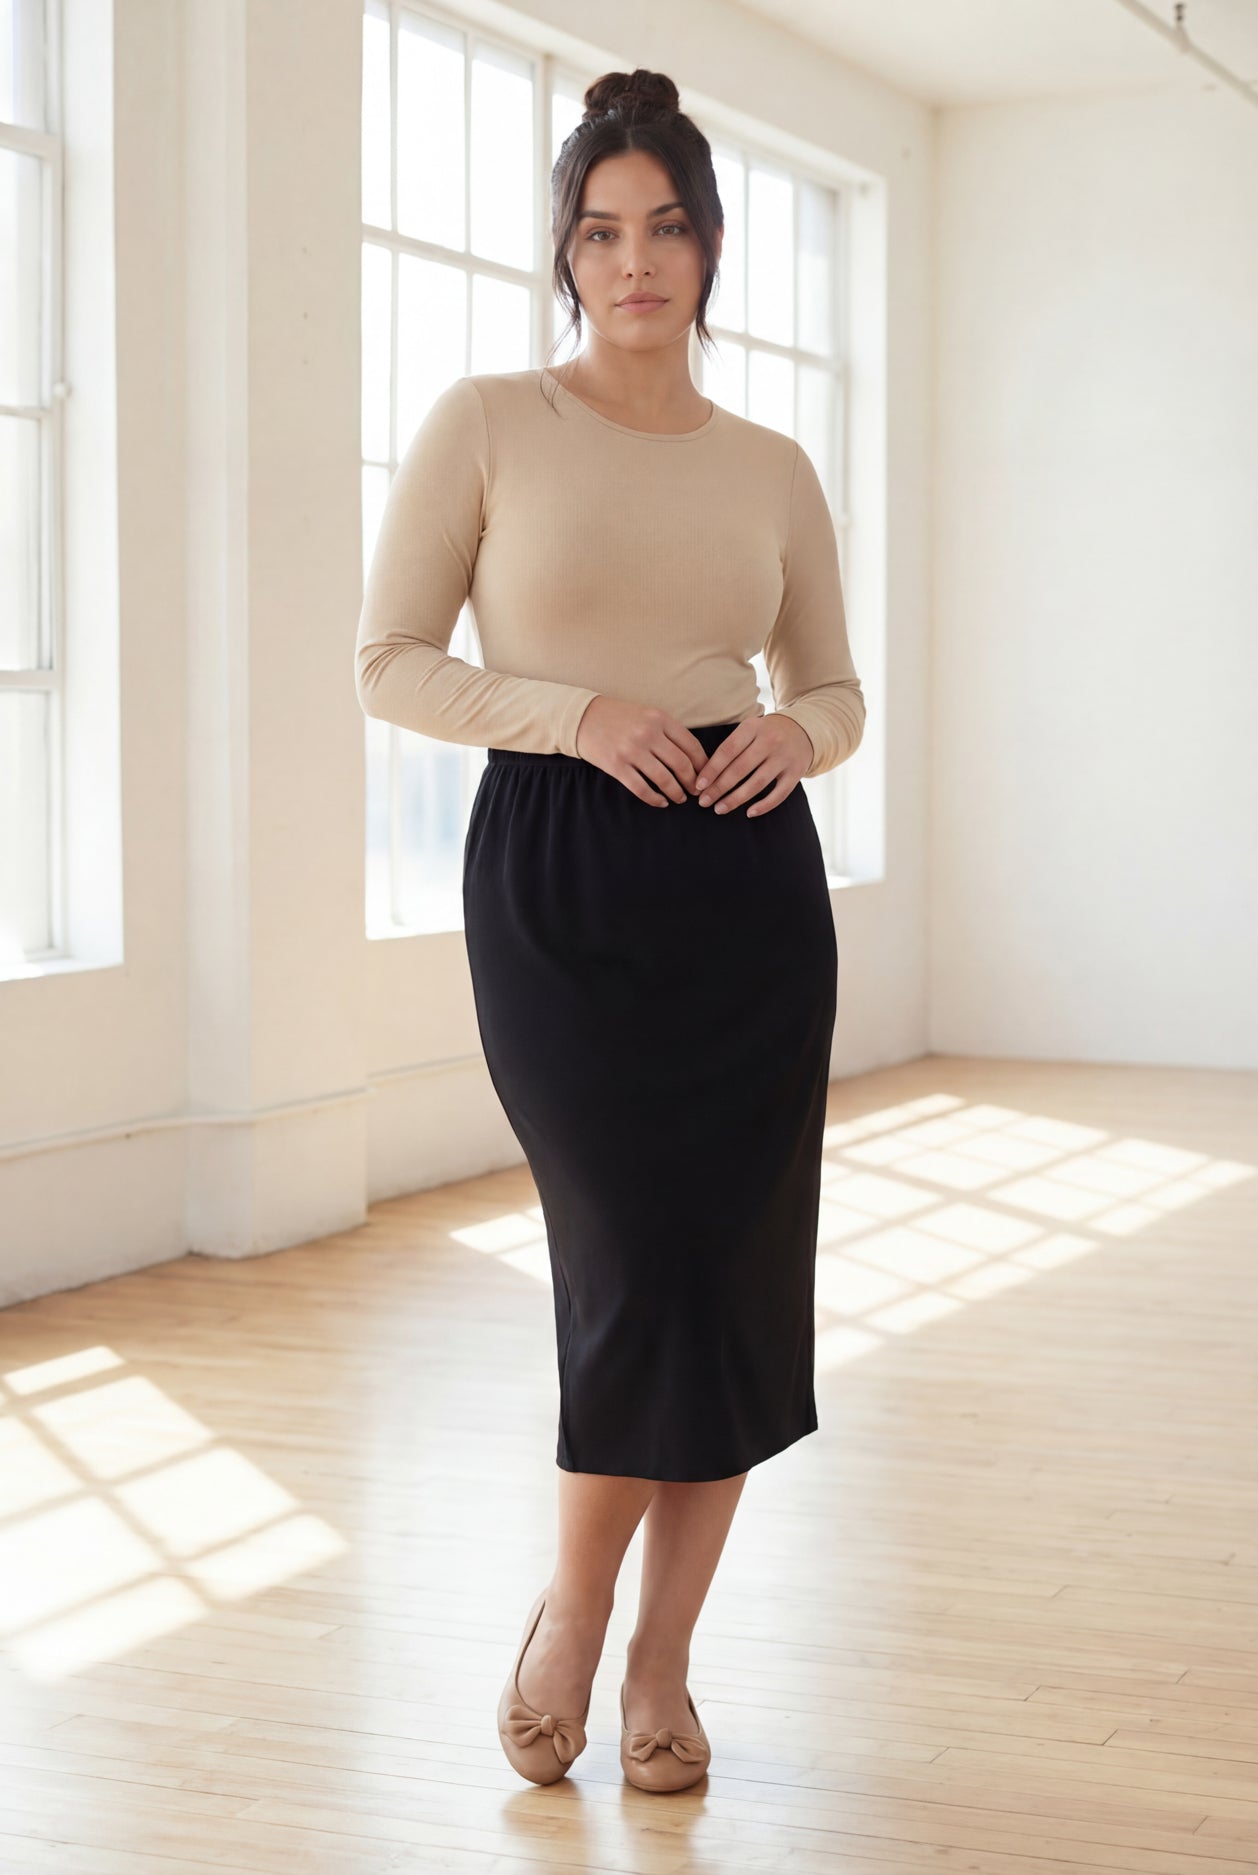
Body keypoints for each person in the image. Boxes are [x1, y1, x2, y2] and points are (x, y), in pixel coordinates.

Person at [354, 66, 865, 1795]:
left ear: (709, 252)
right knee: (631, 1254)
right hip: (562, 875)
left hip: (746, 886)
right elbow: (390, 660)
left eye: (662, 230)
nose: (630, 262)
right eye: (597, 232)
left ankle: (661, 1658)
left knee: (726, 1278)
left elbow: (836, 686)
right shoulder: (491, 421)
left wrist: (804, 735)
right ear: (564, 257)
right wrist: (570, 716)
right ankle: (575, 1615)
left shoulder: (771, 466)